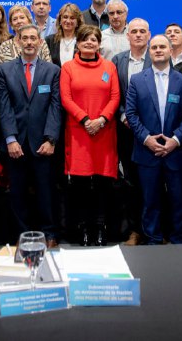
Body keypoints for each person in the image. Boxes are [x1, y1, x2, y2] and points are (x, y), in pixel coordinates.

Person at [0, 25, 62, 248]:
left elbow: (55, 108)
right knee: (18, 193)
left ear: (40, 42)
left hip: (43, 143)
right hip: (17, 144)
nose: (30, 42)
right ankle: (21, 234)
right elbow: (3, 108)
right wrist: (11, 139)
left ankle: (49, 233)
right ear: (18, 41)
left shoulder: (52, 71)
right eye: (25, 38)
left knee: (46, 191)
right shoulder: (4, 70)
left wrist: (51, 138)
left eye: (34, 38)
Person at [125, 35, 182, 245]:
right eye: (154, 48)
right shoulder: (137, 80)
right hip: (147, 152)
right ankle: (153, 239)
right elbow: (131, 115)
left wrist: (175, 140)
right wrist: (147, 139)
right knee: (150, 201)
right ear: (149, 53)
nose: (159, 50)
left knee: (178, 200)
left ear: (171, 51)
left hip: (176, 151)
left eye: (163, 47)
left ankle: (177, 239)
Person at [60, 25, 120, 246]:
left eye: (94, 39)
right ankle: (84, 228)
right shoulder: (67, 68)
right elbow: (66, 99)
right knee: (81, 185)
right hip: (79, 134)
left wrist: (101, 120)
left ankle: (101, 228)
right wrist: (86, 120)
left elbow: (115, 97)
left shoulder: (109, 67)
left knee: (103, 185)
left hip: (104, 133)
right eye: (85, 39)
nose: (89, 43)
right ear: (77, 43)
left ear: (99, 44)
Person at [111, 18, 152, 246]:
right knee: (132, 182)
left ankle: (154, 229)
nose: (137, 35)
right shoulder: (118, 60)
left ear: (148, 35)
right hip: (127, 131)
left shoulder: (156, 57)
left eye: (142, 32)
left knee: (153, 183)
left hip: (152, 132)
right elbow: (115, 94)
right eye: (134, 31)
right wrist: (125, 115)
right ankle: (135, 229)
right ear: (128, 35)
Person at [45, 3, 83, 67]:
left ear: (77, 22)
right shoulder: (49, 40)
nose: (68, 21)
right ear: (60, 20)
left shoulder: (83, 40)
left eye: (72, 18)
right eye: (65, 17)